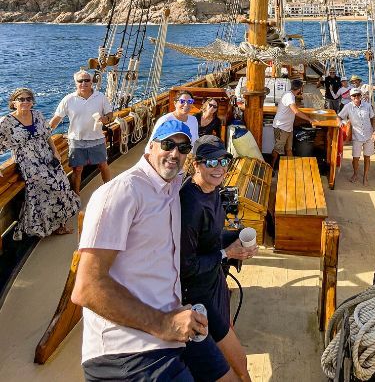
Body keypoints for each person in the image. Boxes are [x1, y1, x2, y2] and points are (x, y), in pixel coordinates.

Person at [72, 119, 238, 382]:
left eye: (183, 148)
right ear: (150, 147)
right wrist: (163, 324)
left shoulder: (171, 188)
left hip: (174, 323)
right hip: (128, 349)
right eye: (168, 144)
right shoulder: (122, 192)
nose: (175, 153)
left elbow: (201, 179)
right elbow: (87, 287)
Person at [180, 135, 257, 381]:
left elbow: (211, 236)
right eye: (211, 162)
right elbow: (186, 267)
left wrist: (235, 238)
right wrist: (227, 253)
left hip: (216, 283)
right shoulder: (190, 206)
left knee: (233, 357)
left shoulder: (212, 190)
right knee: (240, 367)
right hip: (199, 294)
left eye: (224, 160)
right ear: (196, 164)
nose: (220, 168)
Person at [0, 88, 80, 240]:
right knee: (49, 186)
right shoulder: (6, 122)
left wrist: (55, 151)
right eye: (21, 99)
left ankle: (59, 224)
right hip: (29, 162)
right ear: (14, 102)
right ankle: (44, 226)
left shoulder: (37, 114)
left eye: (28, 99)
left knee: (61, 184)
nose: (25, 102)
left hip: (47, 156)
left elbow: (48, 135)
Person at [49, 70, 113, 195]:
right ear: (75, 83)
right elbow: (56, 120)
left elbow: (110, 113)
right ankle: (76, 196)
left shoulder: (100, 97)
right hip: (76, 140)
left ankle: (109, 190)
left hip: (97, 139)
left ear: (91, 82)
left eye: (87, 80)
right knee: (77, 170)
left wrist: (106, 118)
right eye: (80, 81)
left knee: (103, 165)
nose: (84, 83)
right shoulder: (68, 99)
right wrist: (44, 133)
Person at [338, 88, 375, 185]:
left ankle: (365, 177)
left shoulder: (367, 106)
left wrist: (374, 131)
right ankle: (355, 174)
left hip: (368, 135)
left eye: (358, 95)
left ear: (361, 95)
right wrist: (340, 123)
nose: (356, 97)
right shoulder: (348, 107)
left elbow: (373, 118)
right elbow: (339, 117)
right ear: (350, 97)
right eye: (354, 96)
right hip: (357, 136)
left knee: (367, 157)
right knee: (355, 158)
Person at [271, 79, 312, 169]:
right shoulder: (289, 96)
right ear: (300, 89)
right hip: (281, 127)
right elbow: (296, 111)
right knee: (278, 149)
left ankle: (291, 168)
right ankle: (271, 167)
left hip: (288, 127)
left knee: (289, 149)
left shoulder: (290, 95)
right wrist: (309, 119)